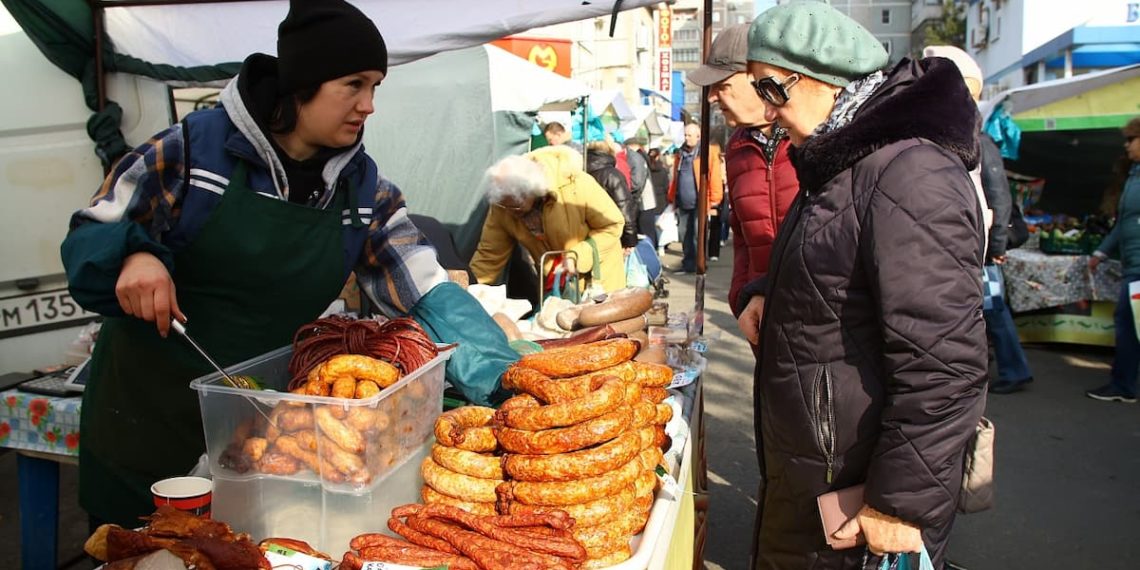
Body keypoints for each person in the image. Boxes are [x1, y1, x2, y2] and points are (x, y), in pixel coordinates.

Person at [59, 0, 518, 529]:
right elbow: (93, 231)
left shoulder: (363, 192)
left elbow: (423, 289)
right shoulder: (192, 152)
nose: (368, 105)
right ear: (304, 83)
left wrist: (504, 376)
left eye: (375, 87)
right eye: (353, 84)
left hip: (262, 434)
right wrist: (133, 254)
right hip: (146, 424)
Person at [736, 2, 988, 568]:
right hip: (823, 465)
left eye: (771, 90)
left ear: (825, 78)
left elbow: (945, 363)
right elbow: (837, 267)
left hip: (862, 485)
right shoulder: (840, 160)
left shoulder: (909, 172)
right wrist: (764, 291)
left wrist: (899, 504)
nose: (766, 114)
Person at [926, 45, 1034, 395]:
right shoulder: (951, 137)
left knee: (993, 309)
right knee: (985, 310)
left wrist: (997, 244)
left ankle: (1015, 370)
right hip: (971, 244)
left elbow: (999, 197)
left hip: (983, 248)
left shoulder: (980, 141)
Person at [688, 22, 800, 317]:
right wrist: (740, 297)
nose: (712, 97)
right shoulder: (737, 147)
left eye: (722, 85)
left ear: (760, 78)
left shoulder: (812, 139)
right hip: (761, 316)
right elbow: (741, 235)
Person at [470, 146, 627, 294]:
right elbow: (489, 255)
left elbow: (612, 225)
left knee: (597, 321)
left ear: (531, 191)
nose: (510, 212)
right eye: (503, 205)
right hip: (556, 284)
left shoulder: (575, 184)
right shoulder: (503, 204)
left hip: (599, 281)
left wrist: (577, 255)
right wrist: (468, 290)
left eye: (516, 207)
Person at [1087, 116, 1140, 403]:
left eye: (1132, 139)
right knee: (1129, 321)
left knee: (1128, 321)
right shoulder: (1133, 175)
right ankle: (1123, 383)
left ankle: (1123, 385)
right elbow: (1124, 223)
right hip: (1132, 264)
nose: (1127, 145)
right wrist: (1101, 252)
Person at [668, 124, 724, 273]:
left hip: (701, 202)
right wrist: (672, 196)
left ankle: (699, 264)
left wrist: (715, 199)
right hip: (683, 202)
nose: (686, 138)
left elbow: (715, 177)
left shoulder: (707, 152)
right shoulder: (680, 153)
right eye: (685, 135)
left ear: (698, 137)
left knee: (698, 235)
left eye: (690, 135)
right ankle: (688, 263)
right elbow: (676, 176)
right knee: (684, 234)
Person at [585, 140, 639, 248]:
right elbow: (624, 208)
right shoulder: (612, 175)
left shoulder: (581, 171)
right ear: (610, 149)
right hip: (610, 236)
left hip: (585, 237)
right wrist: (629, 241)